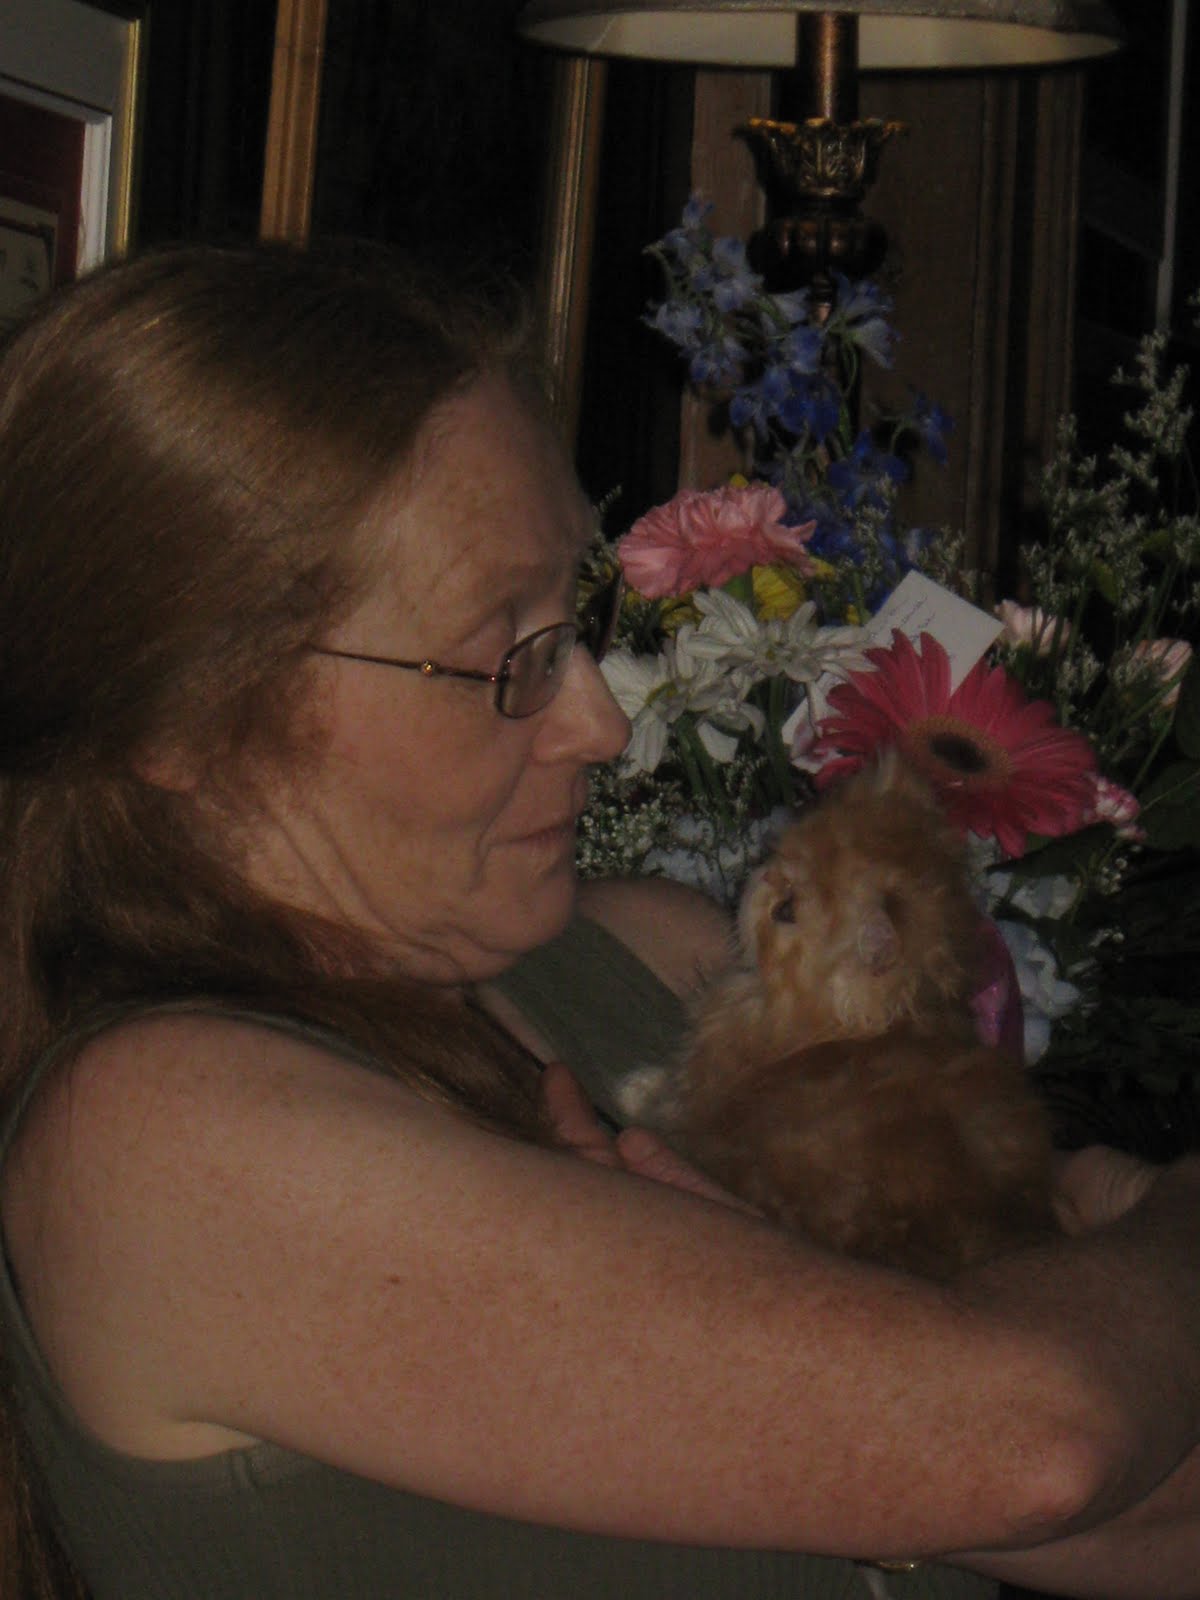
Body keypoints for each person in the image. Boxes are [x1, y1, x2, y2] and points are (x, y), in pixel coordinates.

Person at [0, 241, 1196, 1600]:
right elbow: (1044, 1439)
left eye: (571, 623)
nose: (602, 721)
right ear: (191, 719)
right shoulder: (158, 1141)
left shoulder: (659, 965)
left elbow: (1149, 1496)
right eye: (508, 657)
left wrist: (919, 1391)